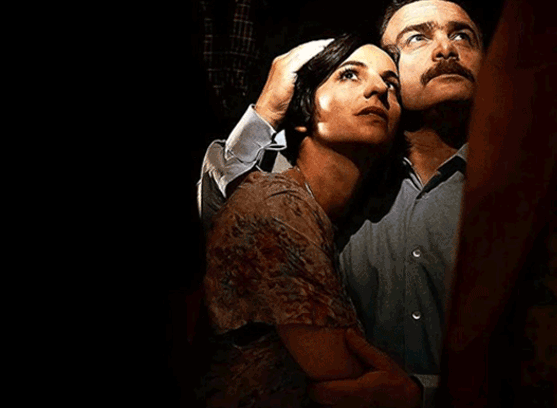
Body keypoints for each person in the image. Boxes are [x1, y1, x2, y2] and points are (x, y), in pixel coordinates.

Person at [196, 1, 486, 406]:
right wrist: (266, 112)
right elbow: (228, 210)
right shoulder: (338, 182)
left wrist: (423, 395)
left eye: (462, 36)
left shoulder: (522, 190)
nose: (446, 49)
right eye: (417, 38)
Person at [198, 34, 408, 407]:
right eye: (349, 74)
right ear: (302, 114)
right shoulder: (278, 208)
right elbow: (348, 386)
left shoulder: (330, 217)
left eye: (391, 84)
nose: (379, 88)